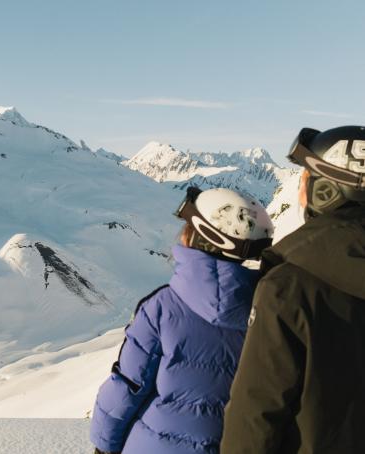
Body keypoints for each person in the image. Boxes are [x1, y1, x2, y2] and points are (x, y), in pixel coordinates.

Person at [90, 187, 274, 454]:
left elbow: (127, 387)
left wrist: (103, 446)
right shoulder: (270, 308)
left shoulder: (160, 308)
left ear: (200, 236)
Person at [221, 126, 365, 453]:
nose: (299, 187)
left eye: (304, 177)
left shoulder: (289, 287)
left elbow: (256, 411)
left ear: (327, 189)